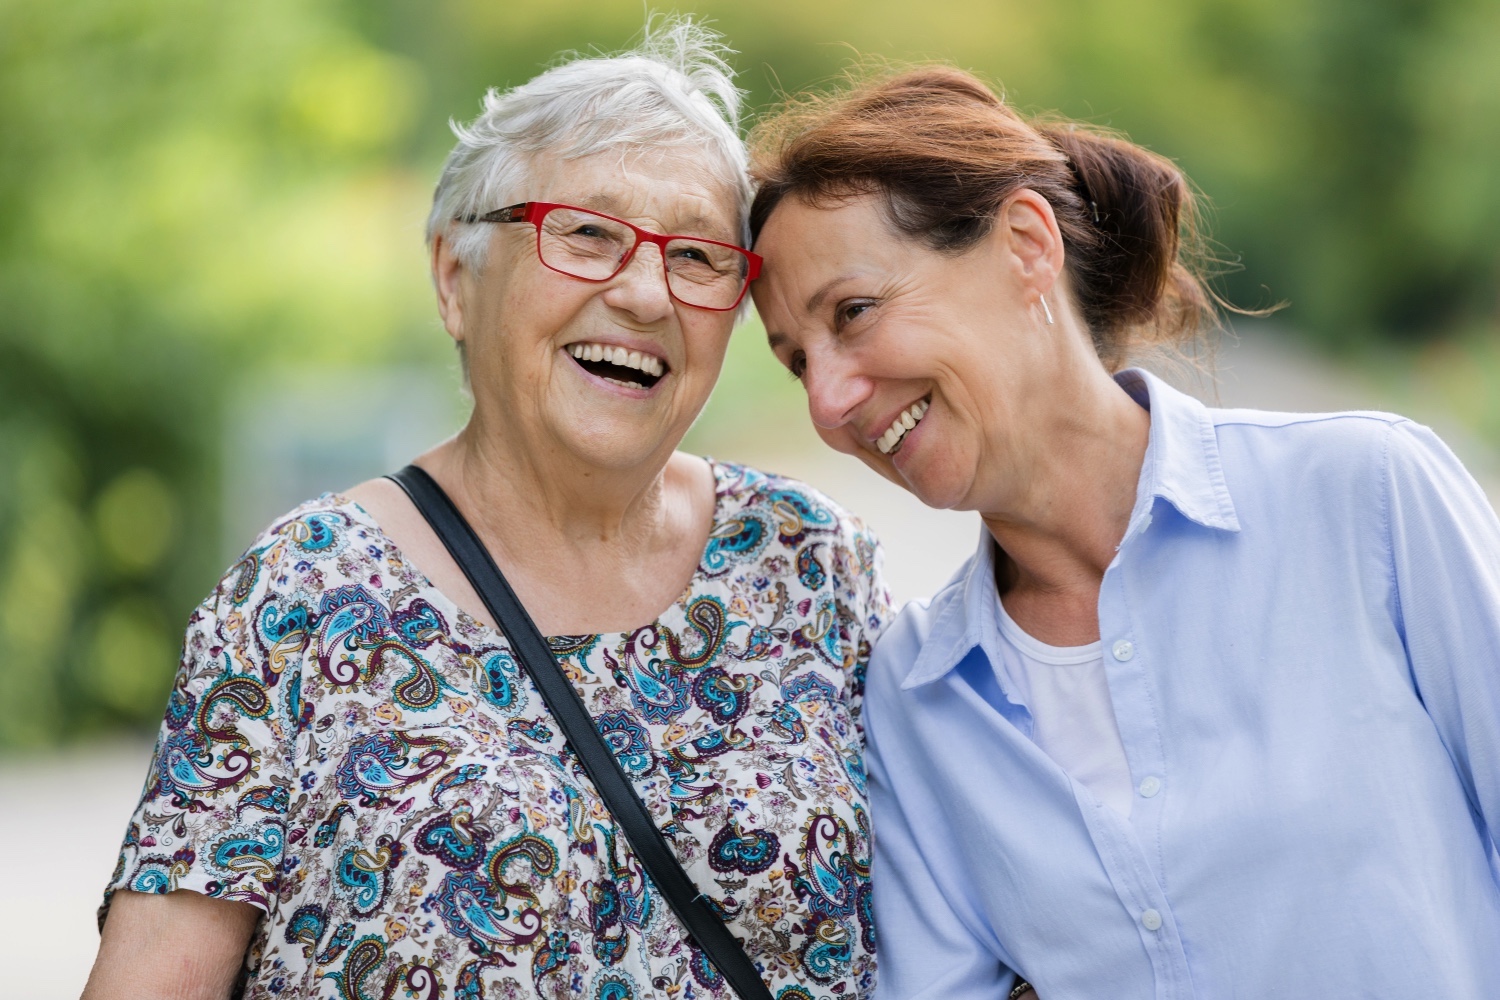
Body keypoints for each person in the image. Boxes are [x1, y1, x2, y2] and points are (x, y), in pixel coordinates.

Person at [85, 22, 888, 1000]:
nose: (643, 292)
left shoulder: (810, 562)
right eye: (586, 233)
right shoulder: (301, 598)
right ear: (454, 277)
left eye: (697, 256)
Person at [747, 65, 1500, 999]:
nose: (829, 399)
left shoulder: (1366, 497)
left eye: (852, 314)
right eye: (795, 365)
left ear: (1025, 245)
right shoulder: (920, 692)